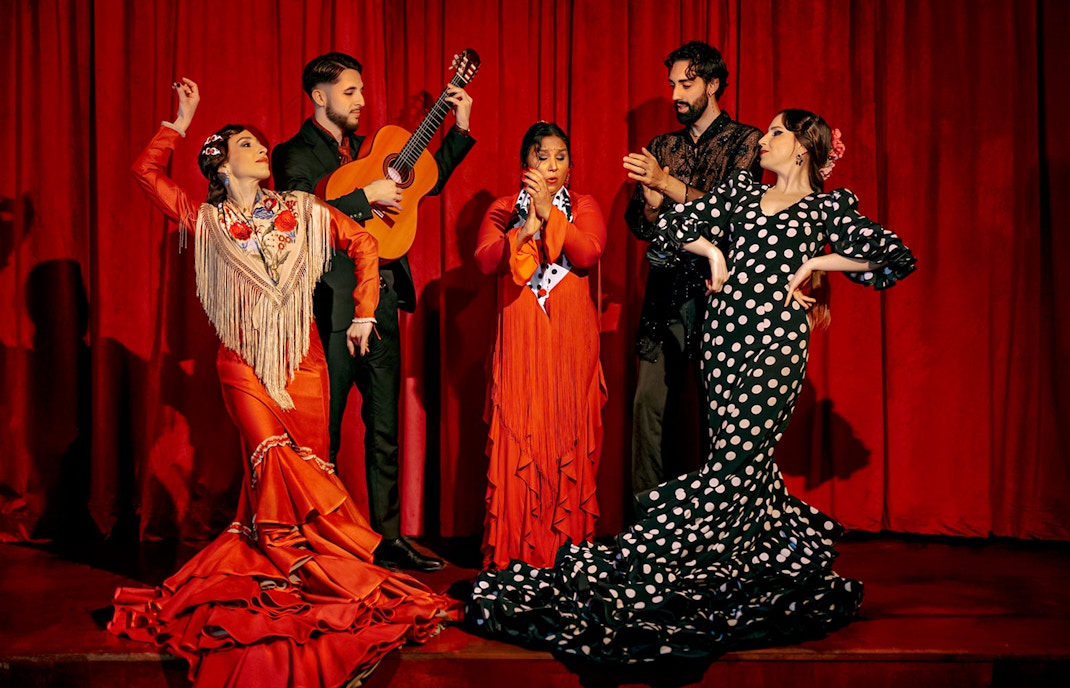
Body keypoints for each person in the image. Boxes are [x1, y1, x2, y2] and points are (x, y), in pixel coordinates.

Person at [467, 108, 916, 662]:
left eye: (775, 132)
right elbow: (669, 230)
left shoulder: (826, 207)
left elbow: (894, 256)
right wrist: (714, 250)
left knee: (735, 462)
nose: (763, 140)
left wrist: (812, 264)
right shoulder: (743, 197)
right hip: (722, 343)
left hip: (776, 345)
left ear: (801, 148)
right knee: (742, 466)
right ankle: (732, 560)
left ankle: (655, 548)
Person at [109, 79, 458, 688]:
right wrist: (181, 121)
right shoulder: (206, 219)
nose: (260, 149)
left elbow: (366, 243)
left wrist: (365, 311)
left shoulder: (301, 209)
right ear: (221, 163)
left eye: (261, 142)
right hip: (243, 363)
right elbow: (144, 173)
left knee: (308, 471)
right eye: (247, 143)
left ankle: (303, 581)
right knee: (273, 460)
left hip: (305, 367)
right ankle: (299, 567)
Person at [273, 52, 475, 572]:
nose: (361, 101)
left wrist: (460, 127)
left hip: (381, 300)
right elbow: (300, 218)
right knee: (329, 434)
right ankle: (325, 539)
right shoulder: (293, 154)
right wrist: (364, 198)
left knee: (385, 429)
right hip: (329, 308)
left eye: (362, 91)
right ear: (319, 97)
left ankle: (388, 539)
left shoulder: (372, 149)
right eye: (349, 92)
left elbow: (423, 180)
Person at [622, 41, 762, 497]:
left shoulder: (747, 141)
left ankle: (716, 527)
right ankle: (646, 529)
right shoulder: (663, 145)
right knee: (648, 408)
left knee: (718, 415)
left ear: (713, 83)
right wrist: (649, 205)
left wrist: (667, 184)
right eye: (673, 85)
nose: (677, 94)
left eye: (687, 83)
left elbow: (735, 214)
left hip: (719, 297)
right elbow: (639, 226)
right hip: (664, 297)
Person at [473, 122, 607, 570]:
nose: (552, 165)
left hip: (570, 331)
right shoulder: (501, 208)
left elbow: (588, 253)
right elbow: (486, 259)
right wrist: (524, 229)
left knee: (569, 430)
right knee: (520, 433)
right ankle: (515, 550)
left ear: (570, 165)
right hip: (520, 326)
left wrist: (551, 213)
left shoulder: (584, 205)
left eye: (560, 156)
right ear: (524, 163)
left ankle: (565, 546)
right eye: (541, 156)